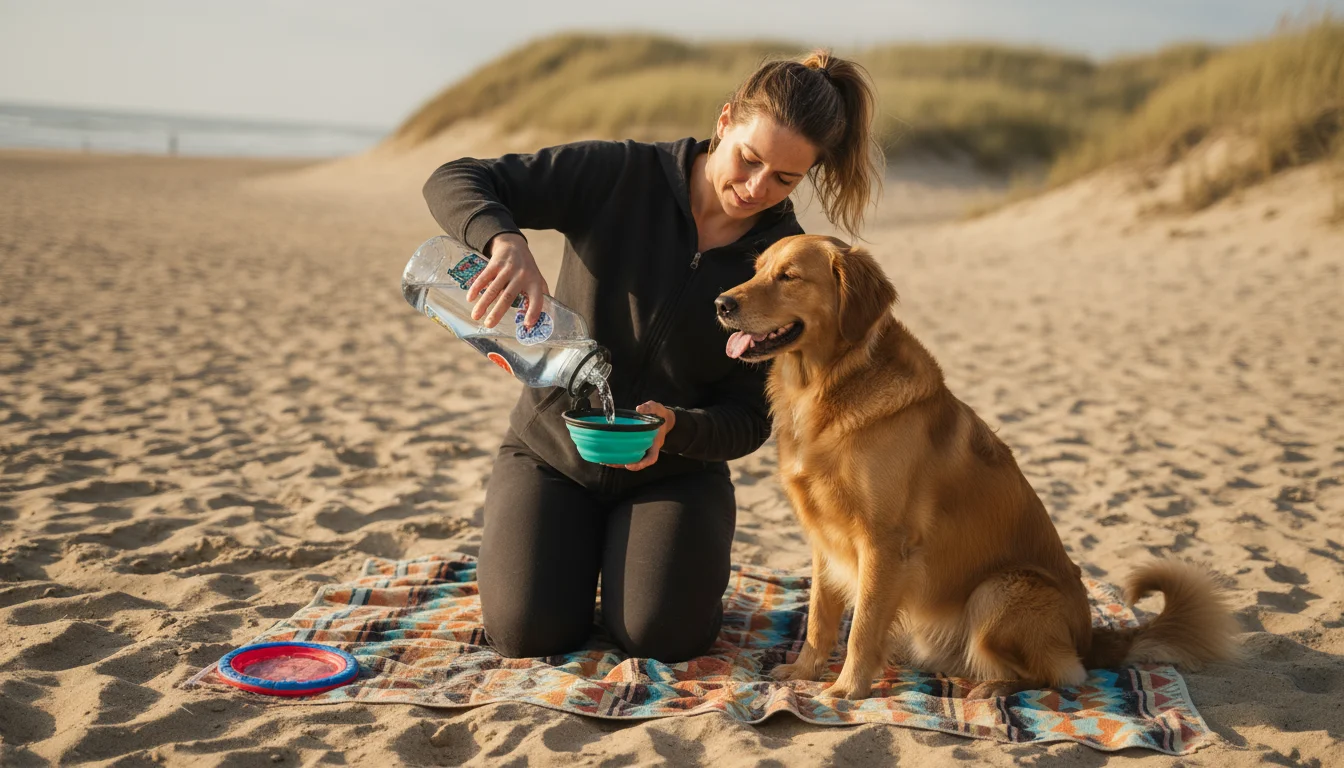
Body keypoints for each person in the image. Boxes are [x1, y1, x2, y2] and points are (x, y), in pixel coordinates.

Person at [422, 50, 881, 662]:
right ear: (725, 121)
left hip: (677, 475)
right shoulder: (622, 175)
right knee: (527, 634)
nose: (754, 188)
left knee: (662, 637)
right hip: (549, 455)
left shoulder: (782, 261)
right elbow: (455, 177)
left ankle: (642, 567)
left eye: (784, 179)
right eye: (748, 159)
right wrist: (503, 240)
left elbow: (750, 416)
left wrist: (679, 429)